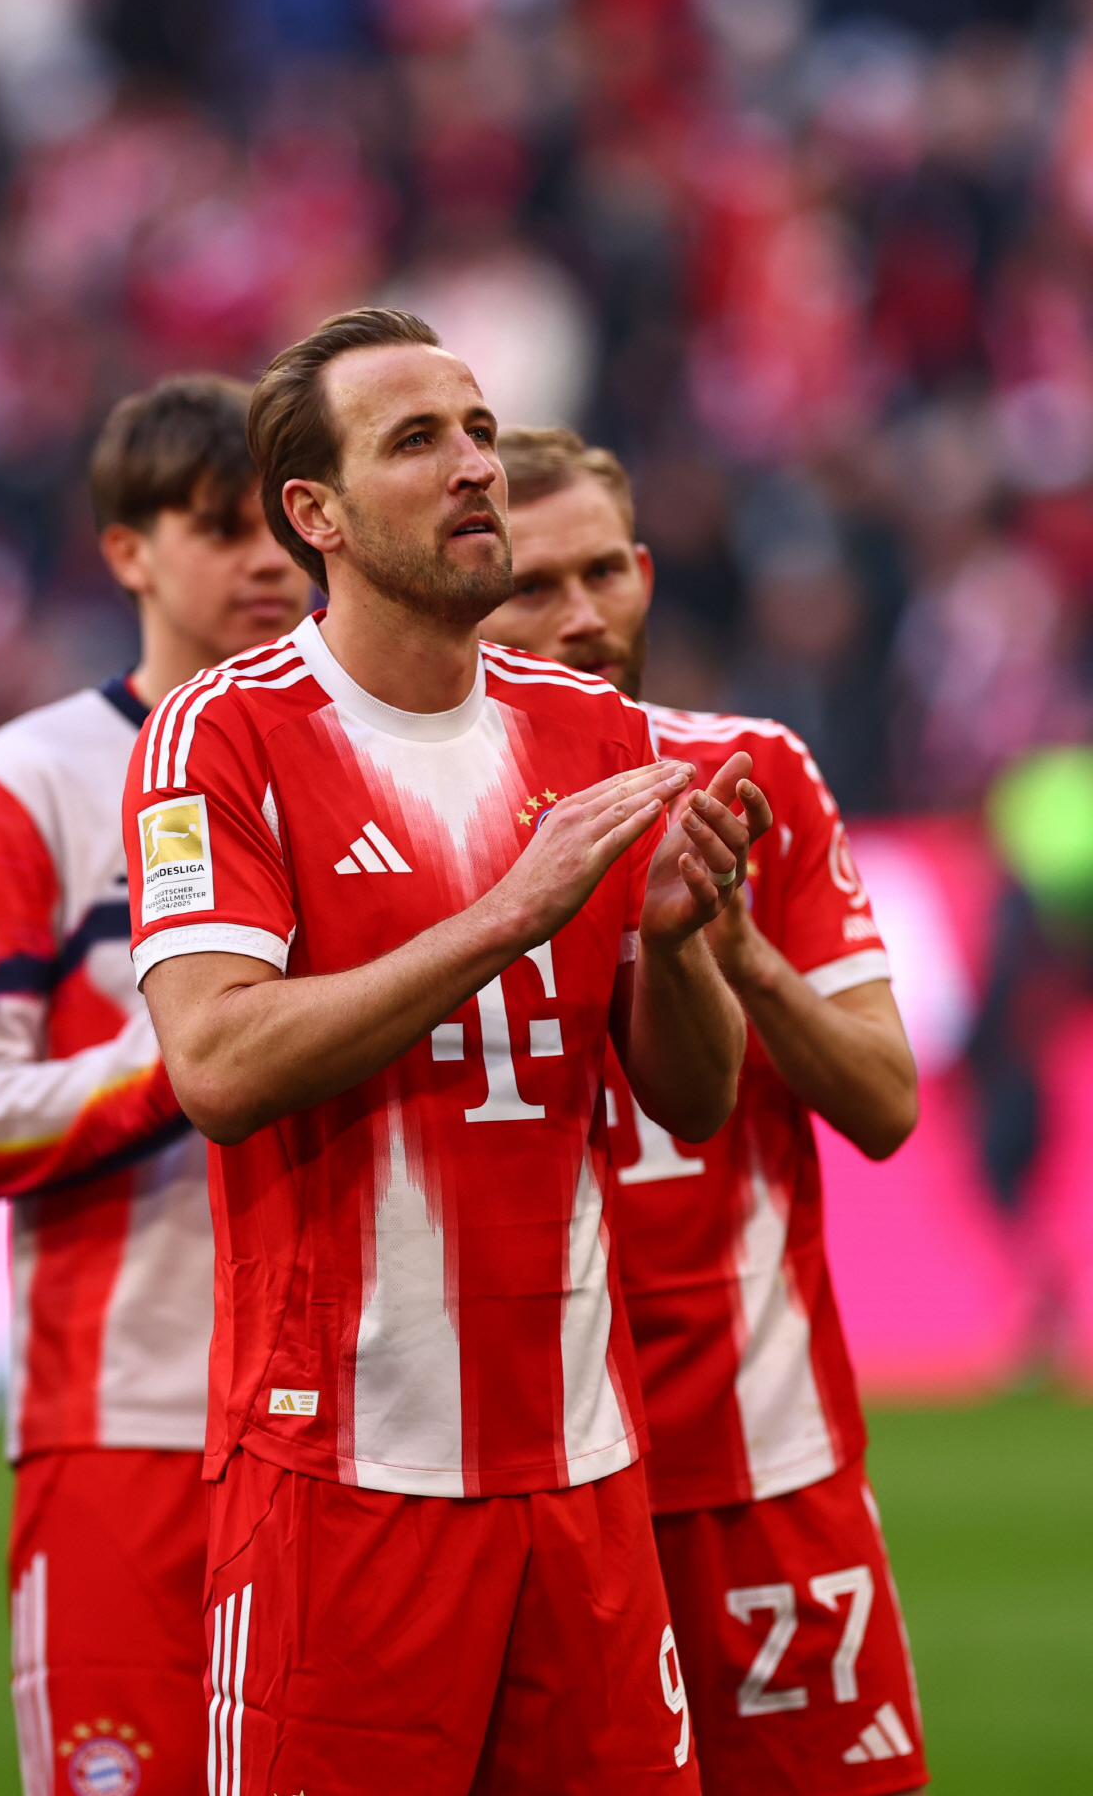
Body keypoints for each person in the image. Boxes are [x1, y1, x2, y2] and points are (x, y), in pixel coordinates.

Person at [122, 307, 772, 1796]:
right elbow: (216, 1065)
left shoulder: (592, 731)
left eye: (477, 429)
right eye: (418, 441)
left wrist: (674, 943)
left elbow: (693, 1091)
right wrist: (511, 912)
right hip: (341, 1480)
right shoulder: (220, 736)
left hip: (585, 1471)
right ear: (319, 516)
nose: (476, 465)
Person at [480, 425, 927, 1796]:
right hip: (518, 1470)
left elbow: (886, 1103)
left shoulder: (757, 773)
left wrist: (736, 951)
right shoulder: (411, 813)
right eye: (532, 584)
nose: (582, 615)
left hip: (756, 1454)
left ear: (649, 572)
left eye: (605, 571)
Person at [0, 375, 309, 1796]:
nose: (267, 560)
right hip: (124, 1417)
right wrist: (203, 1052)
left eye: (282, 524)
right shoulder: (34, 780)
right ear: (127, 550)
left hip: (354, 1425)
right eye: (218, 527)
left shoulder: (359, 759)